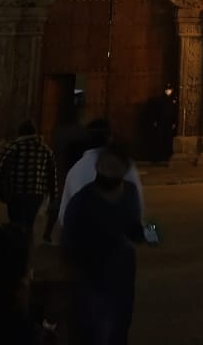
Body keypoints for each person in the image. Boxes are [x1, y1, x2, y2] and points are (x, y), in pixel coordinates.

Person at [62, 147, 146, 344]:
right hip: (90, 280)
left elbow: (135, 228)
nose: (109, 169)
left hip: (121, 279)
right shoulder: (81, 201)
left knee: (118, 329)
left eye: (115, 166)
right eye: (106, 165)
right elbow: (68, 244)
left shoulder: (130, 194)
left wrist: (154, 231)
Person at [58, 119, 145, 230]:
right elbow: (138, 210)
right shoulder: (124, 165)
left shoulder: (75, 171)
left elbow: (63, 217)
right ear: (109, 138)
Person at [0, 119, 57, 235]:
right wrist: (53, 195)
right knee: (29, 223)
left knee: (16, 224)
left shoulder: (12, 147)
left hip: (16, 193)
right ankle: (27, 246)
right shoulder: (46, 150)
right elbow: (52, 173)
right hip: (36, 194)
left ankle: (17, 248)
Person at [43, 96, 88, 243]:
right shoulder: (79, 133)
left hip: (60, 171)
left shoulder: (60, 132)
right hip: (70, 171)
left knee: (58, 202)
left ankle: (49, 232)